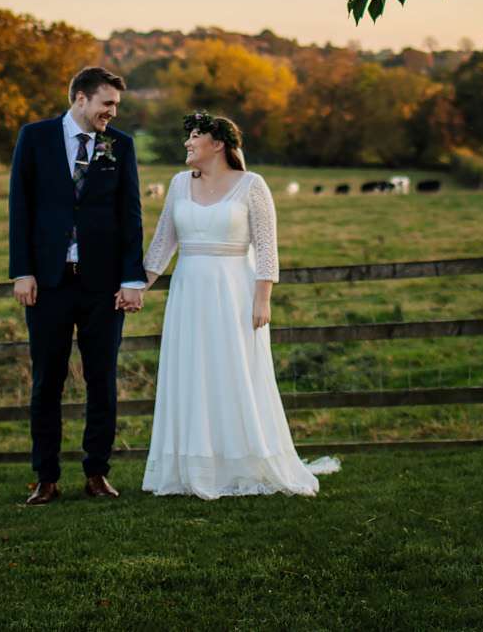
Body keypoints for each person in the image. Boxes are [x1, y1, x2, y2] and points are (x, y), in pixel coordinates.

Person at [141, 111, 337, 498]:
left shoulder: (252, 185)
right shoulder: (179, 184)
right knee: (192, 372)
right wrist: (138, 287)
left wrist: (262, 298)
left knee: (234, 372)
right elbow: (163, 243)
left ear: (217, 144)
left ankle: (244, 461)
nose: (187, 143)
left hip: (235, 293)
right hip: (189, 292)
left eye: (194, 136)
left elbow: (266, 247)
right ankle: (194, 464)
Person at [7, 67, 146, 505]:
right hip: (47, 283)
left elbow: (131, 214)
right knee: (47, 380)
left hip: (102, 286)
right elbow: (20, 207)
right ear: (80, 99)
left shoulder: (118, 145)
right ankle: (45, 477)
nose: (112, 112)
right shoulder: (35, 137)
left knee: (102, 379)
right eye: (107, 104)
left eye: (116, 106)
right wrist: (22, 271)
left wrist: (131, 279)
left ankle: (97, 472)